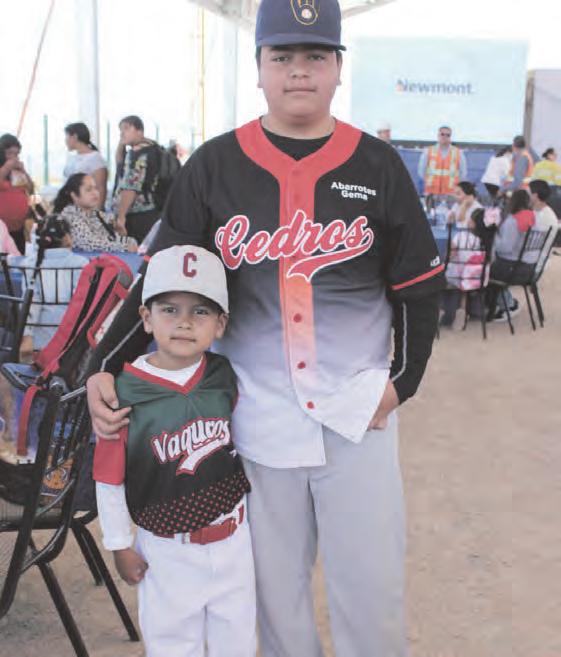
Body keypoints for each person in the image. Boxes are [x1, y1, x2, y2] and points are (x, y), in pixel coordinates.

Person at [87, 2, 445, 656]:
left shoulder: (378, 165)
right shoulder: (213, 165)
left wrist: (402, 383)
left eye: (314, 56)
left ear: (338, 67)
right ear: (258, 68)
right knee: (276, 600)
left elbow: (418, 287)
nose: (298, 71)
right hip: (255, 417)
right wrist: (102, 367)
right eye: (282, 56)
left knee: (371, 593)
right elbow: (161, 279)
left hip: (357, 413)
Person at [93, 244, 255, 657]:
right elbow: (108, 478)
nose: (184, 322)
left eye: (200, 311)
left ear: (220, 324)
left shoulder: (224, 375)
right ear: (146, 318)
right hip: (167, 548)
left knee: (237, 641)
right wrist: (119, 544)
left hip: (234, 540)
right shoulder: (124, 391)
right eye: (169, 309)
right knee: (172, 645)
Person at [10, 215, 88, 356]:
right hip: (72, 340)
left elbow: (31, 304)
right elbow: (82, 303)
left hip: (39, 342)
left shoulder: (30, 264)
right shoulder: (81, 263)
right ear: (67, 238)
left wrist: (27, 337)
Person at [53, 173, 137, 253]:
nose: (95, 193)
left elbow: (113, 239)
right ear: (74, 195)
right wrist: (124, 247)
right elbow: (89, 244)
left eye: (95, 188)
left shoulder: (98, 215)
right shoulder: (70, 216)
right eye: (88, 190)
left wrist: (122, 233)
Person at [442, 208, 496, 329]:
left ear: (473, 223)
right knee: (465, 279)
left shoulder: (461, 236)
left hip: (457, 277)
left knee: (443, 271)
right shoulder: (488, 240)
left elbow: (449, 256)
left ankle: (446, 310)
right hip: (479, 278)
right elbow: (491, 260)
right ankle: (466, 309)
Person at [486, 189, 536, 321]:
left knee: (483, 272)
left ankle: (507, 305)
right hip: (529, 266)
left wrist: (494, 236)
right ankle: (501, 302)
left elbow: (505, 248)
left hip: (512, 267)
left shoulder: (512, 221)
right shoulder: (531, 215)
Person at [112, 115, 160, 244]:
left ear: (139, 131)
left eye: (126, 128)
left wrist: (121, 217)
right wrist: (122, 142)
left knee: (133, 251)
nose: (122, 133)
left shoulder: (138, 154)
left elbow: (130, 187)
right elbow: (119, 163)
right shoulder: (152, 148)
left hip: (137, 216)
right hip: (151, 212)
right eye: (120, 130)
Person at [0, 133, 34, 253]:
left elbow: (30, 188)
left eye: (16, 154)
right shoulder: (4, 169)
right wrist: (6, 167)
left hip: (18, 227)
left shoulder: (17, 171)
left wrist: (24, 171)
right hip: (2, 229)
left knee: (19, 257)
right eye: (9, 153)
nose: (13, 157)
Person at [63, 122, 108, 209]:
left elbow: (101, 188)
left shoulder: (95, 158)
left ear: (74, 136)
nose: (65, 141)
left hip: (88, 210)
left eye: (67, 136)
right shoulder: (72, 158)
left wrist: (96, 212)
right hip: (70, 208)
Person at [417, 125, 467, 204]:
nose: (445, 137)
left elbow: (463, 174)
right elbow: (421, 172)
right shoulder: (428, 151)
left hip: (451, 195)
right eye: (442, 134)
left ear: (450, 137)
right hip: (431, 193)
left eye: (448, 135)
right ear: (438, 136)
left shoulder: (459, 153)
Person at [529, 179, 559, 272]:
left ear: (535, 196)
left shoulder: (543, 217)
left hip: (530, 264)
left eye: (527, 193)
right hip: (536, 262)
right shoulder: (545, 213)